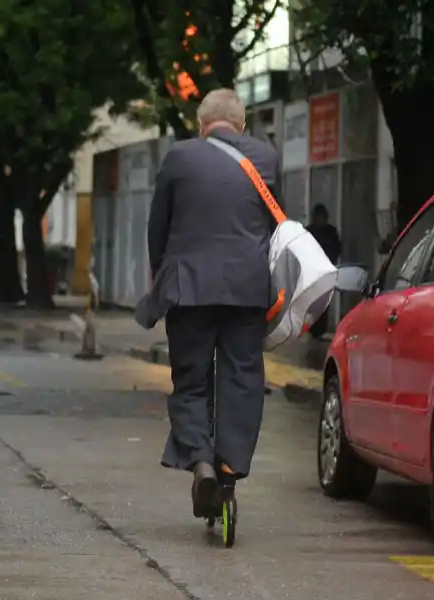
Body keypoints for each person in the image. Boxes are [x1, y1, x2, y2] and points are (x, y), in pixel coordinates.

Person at [136, 88, 279, 519]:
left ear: (201, 125)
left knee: (191, 382)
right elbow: (275, 227)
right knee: (241, 381)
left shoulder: (179, 157)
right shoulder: (267, 158)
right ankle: (230, 471)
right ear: (243, 125)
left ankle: (201, 464)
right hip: (247, 291)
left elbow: (157, 228)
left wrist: (163, 279)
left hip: (189, 288)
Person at [306, 204, 341, 340]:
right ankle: (313, 328)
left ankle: (320, 330)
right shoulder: (308, 232)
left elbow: (336, 248)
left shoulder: (330, 232)